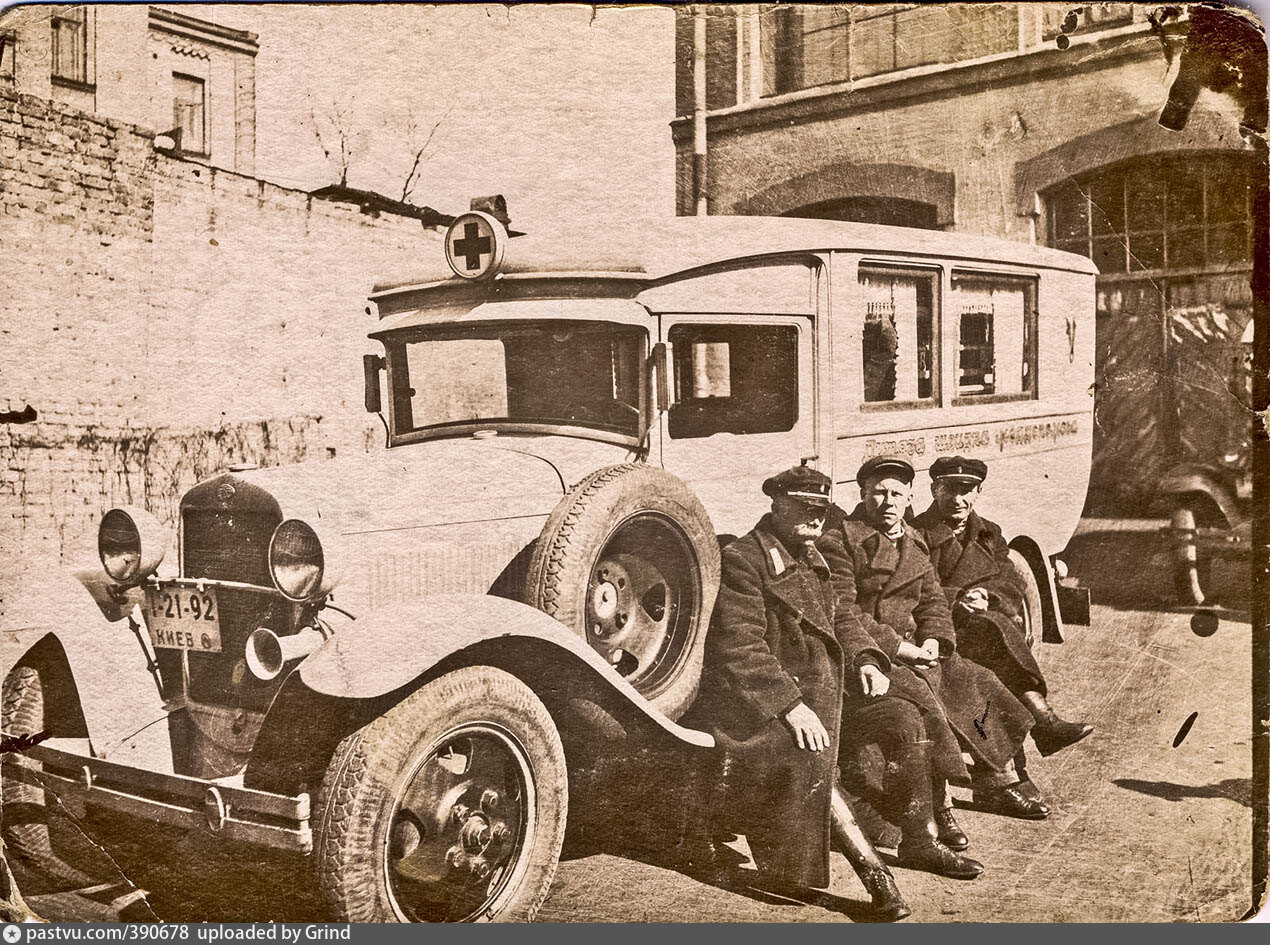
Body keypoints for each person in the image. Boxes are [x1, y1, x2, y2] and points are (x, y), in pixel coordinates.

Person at [684, 465, 912, 919]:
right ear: (776, 505)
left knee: (903, 716)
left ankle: (917, 837)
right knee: (810, 752)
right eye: (804, 508)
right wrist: (790, 707)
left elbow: (843, 619)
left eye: (821, 510)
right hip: (754, 704)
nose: (814, 518)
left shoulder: (813, 557)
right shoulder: (745, 559)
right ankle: (876, 879)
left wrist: (868, 658)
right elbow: (740, 647)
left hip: (819, 694)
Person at [822, 456, 1049, 835]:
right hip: (873, 653)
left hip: (917, 647)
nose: (888, 502)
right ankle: (939, 807)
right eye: (878, 493)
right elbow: (843, 612)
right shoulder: (841, 541)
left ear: (910, 495)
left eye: (896, 493)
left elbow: (933, 602)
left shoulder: (913, 540)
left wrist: (934, 638)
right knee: (927, 701)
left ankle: (997, 781)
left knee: (979, 680)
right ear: (862, 494)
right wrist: (899, 649)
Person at [912, 455, 1093, 774]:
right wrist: (958, 599)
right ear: (933, 490)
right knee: (993, 633)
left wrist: (988, 595)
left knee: (992, 629)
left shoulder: (989, 533)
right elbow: (912, 589)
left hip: (979, 627)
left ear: (978, 492)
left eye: (966, 489)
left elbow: (1010, 580)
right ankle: (1043, 725)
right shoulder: (916, 534)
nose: (958, 499)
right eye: (949, 489)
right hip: (937, 629)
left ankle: (1029, 744)